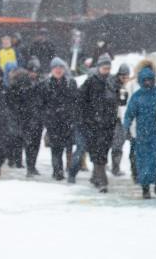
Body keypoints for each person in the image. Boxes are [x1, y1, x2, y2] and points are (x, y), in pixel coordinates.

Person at [78, 55, 121, 193]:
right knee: (98, 152)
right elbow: (81, 101)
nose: (106, 70)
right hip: (94, 123)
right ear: (98, 68)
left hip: (108, 123)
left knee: (103, 150)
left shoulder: (113, 81)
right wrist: (87, 118)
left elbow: (117, 98)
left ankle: (95, 176)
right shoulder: (91, 81)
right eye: (104, 68)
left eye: (108, 68)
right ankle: (102, 181)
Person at [124, 66, 156, 199]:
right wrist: (126, 126)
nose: (148, 82)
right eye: (145, 80)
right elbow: (129, 114)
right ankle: (145, 188)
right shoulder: (137, 97)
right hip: (143, 134)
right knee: (144, 162)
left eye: (150, 80)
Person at [41, 58, 78, 181]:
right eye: (56, 68)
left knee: (67, 146)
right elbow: (42, 103)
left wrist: (73, 116)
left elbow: (75, 101)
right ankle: (58, 171)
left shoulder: (70, 83)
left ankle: (67, 168)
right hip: (52, 122)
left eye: (61, 68)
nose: (58, 70)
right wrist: (46, 118)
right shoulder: (46, 84)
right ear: (52, 70)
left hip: (67, 121)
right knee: (55, 149)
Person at [8, 62, 44, 177]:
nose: (33, 73)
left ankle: (32, 165)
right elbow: (14, 99)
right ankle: (29, 166)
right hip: (25, 117)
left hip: (38, 117)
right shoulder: (21, 82)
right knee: (28, 142)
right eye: (32, 71)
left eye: (35, 71)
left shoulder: (41, 83)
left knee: (36, 143)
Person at [110, 63, 133, 177]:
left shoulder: (129, 86)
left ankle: (115, 167)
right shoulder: (114, 86)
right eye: (122, 76)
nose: (124, 78)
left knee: (119, 143)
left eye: (126, 76)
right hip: (115, 119)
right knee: (116, 144)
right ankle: (114, 167)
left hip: (124, 118)